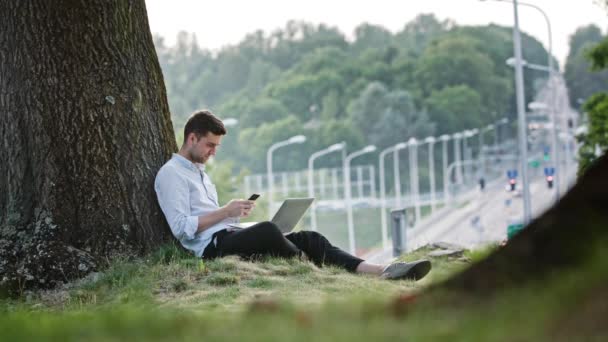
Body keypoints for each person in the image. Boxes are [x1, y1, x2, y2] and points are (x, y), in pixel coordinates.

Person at [154, 110, 431, 281]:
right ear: (191, 138)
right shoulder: (171, 175)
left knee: (310, 238)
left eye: (217, 146)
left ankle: (383, 271)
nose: (213, 152)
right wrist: (226, 211)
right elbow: (181, 228)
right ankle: (315, 271)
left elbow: (210, 215)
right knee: (268, 230)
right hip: (212, 248)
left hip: (228, 233)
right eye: (210, 145)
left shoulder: (199, 172)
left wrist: (232, 214)